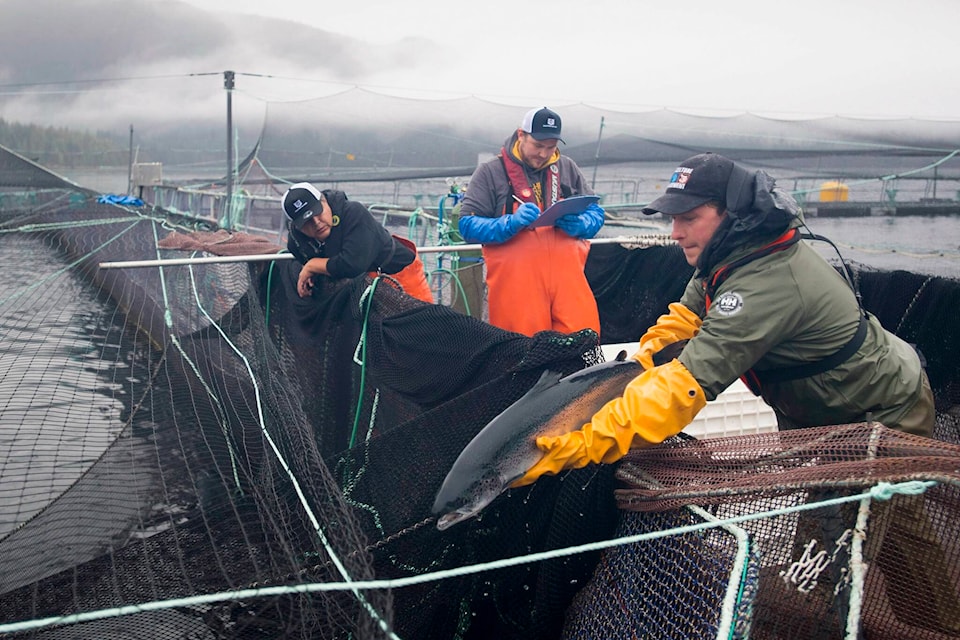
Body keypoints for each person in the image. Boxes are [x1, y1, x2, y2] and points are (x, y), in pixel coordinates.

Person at [515, 152, 935, 486]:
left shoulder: (764, 285)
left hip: (879, 410)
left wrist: (576, 445)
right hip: (817, 414)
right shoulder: (728, 257)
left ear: (731, 215)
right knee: (827, 530)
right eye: (672, 219)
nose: (675, 232)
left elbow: (682, 390)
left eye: (689, 218)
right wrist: (641, 364)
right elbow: (685, 317)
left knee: (894, 532)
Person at [456, 106, 605, 337]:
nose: (544, 154)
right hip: (517, 292)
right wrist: (510, 223)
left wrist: (584, 224)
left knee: (583, 343)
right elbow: (467, 225)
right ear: (521, 135)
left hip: (569, 286)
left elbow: (596, 212)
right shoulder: (489, 172)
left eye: (551, 147)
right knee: (518, 352)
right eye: (537, 145)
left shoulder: (567, 167)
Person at [281, 182, 434, 304]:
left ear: (324, 201)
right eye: (307, 221)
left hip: (398, 273)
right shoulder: (297, 243)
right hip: (359, 290)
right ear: (296, 226)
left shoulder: (353, 212)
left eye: (317, 212)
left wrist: (312, 265)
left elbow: (352, 264)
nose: (316, 222)